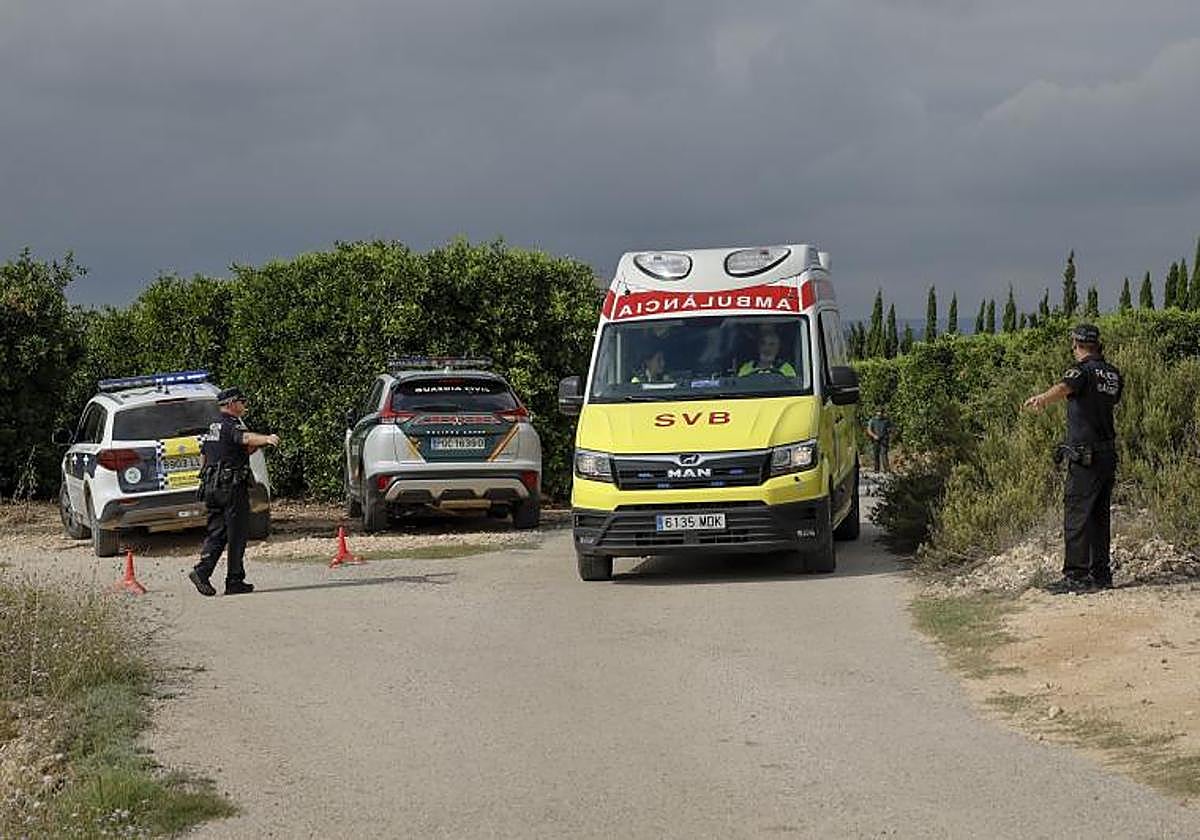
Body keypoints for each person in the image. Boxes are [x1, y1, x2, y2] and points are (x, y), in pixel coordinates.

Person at [1023, 324, 1123, 594]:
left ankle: (1076, 576)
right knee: (1099, 517)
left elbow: (1065, 387)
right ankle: (1101, 574)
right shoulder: (1112, 374)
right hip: (1107, 454)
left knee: (1077, 514)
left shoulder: (1082, 370)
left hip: (1085, 457)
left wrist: (1042, 400)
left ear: (1077, 344)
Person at [188, 388, 279, 597]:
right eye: (241, 401)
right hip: (231, 487)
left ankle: (202, 571)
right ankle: (234, 580)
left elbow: (207, 455)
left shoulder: (213, 426)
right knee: (237, 534)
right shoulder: (231, 424)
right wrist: (267, 438)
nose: (244, 404)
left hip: (212, 487)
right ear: (230, 404)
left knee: (217, 532)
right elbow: (244, 438)